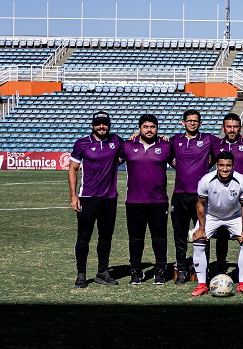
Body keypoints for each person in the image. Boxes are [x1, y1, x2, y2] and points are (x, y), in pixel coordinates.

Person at [68, 111, 123, 288]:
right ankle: (81, 274)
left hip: (109, 198)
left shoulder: (116, 141)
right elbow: (73, 169)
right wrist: (74, 195)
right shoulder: (82, 143)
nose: (102, 126)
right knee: (84, 237)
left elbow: (131, 148)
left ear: (109, 125)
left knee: (105, 237)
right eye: (98, 123)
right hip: (87, 198)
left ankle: (102, 272)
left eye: (105, 123)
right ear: (93, 125)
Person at [191, 151, 243, 296]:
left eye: (228, 166)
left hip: (234, 216)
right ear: (216, 165)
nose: (225, 169)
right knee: (198, 240)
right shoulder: (206, 180)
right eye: (221, 165)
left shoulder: (241, 180)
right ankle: (201, 285)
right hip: (211, 216)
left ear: (233, 166)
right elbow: (200, 204)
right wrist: (201, 228)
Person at [120, 113, 172, 285]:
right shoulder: (127, 145)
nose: (149, 130)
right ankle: (136, 271)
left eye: (153, 127)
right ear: (139, 128)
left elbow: (181, 164)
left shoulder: (165, 145)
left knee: (159, 238)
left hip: (158, 201)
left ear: (157, 128)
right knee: (135, 239)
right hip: (134, 201)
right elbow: (109, 162)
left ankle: (160, 270)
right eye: (146, 127)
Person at [169, 109, 215, 285]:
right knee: (179, 234)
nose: (192, 123)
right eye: (189, 120)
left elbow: (224, 147)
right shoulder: (174, 140)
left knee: (203, 233)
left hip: (201, 196)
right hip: (180, 195)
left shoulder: (208, 139)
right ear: (183, 123)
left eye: (195, 121)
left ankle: (203, 269)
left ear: (200, 123)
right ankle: (181, 269)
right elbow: (168, 157)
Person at [213, 113, 243, 281]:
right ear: (223, 128)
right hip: (223, 198)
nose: (232, 130)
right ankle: (221, 269)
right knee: (222, 234)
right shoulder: (216, 144)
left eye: (235, 127)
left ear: (240, 128)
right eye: (228, 126)